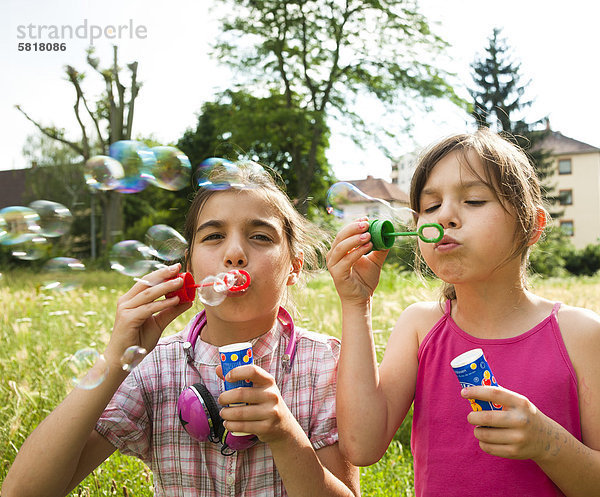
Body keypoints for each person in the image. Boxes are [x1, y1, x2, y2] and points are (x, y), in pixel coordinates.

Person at [4, 162, 359, 497]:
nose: (234, 253)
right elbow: (24, 491)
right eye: (214, 236)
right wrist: (115, 361)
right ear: (188, 266)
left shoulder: (323, 364)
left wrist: (285, 435)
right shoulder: (153, 368)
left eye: (261, 237)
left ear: (294, 267)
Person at [327, 128, 600, 496]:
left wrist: (545, 441)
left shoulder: (582, 335)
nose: (446, 217)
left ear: (531, 226)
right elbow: (362, 445)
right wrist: (356, 304)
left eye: (473, 200)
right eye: (431, 206)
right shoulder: (420, 326)